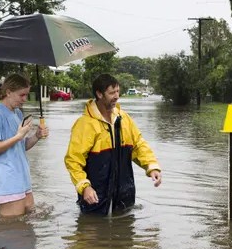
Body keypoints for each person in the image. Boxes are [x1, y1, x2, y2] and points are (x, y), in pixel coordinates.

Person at [64, 73, 162, 215]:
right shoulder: (84, 125)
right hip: (95, 197)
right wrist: (84, 187)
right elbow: (73, 160)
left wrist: (152, 167)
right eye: (111, 93)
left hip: (124, 194)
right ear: (99, 94)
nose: (116, 96)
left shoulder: (124, 119)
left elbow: (138, 144)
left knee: (125, 230)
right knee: (91, 230)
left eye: (117, 91)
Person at [0, 73, 49, 217]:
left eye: (27, 95)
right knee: (12, 230)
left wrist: (36, 136)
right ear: (8, 92)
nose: (25, 99)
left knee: (28, 224)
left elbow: (20, 146)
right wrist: (18, 136)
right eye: (22, 95)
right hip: (7, 181)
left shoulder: (18, 113)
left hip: (22, 179)